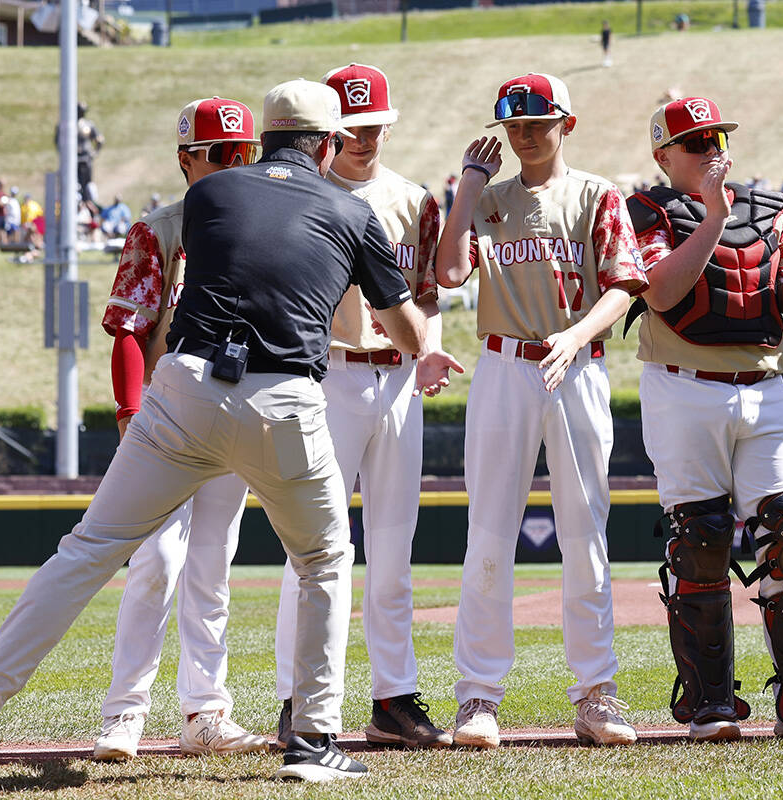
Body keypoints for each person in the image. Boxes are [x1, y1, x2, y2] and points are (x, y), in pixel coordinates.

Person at [0, 79, 427, 783]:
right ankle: (311, 741)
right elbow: (405, 332)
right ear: (329, 144)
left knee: (86, 550)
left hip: (184, 388)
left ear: (262, 140)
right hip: (285, 400)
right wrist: (418, 325)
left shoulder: (207, 197)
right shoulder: (351, 208)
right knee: (325, 562)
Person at [625, 97, 783, 742]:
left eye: (715, 137)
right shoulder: (646, 210)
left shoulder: (769, 210)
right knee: (700, 538)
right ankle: (710, 703)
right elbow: (664, 293)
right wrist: (711, 220)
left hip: (763, 385)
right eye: (694, 141)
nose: (709, 149)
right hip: (682, 387)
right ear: (663, 155)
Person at [436, 73, 648, 749]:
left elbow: (624, 287)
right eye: (514, 125)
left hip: (575, 363)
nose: (524, 134)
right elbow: (446, 273)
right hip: (502, 364)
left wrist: (579, 334)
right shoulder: (488, 199)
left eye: (538, 122)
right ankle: (477, 696)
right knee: (489, 532)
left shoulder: (596, 194)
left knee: (585, 530)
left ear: (567, 123)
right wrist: (468, 185)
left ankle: (595, 692)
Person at [272, 63, 461, 751]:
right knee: (313, 542)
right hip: (327, 374)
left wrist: (430, 349)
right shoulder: (299, 195)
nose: (365, 136)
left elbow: (428, 294)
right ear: (328, 130)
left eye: (375, 123)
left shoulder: (413, 199)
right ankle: (297, 698)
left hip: (400, 378)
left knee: (393, 547)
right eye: (352, 126)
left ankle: (393, 694)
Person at [92, 97, 262, 762]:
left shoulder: (262, 223)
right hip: (165, 418)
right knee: (156, 564)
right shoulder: (160, 227)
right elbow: (129, 328)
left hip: (235, 414)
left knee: (212, 568)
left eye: (243, 151)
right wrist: (132, 411)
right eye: (219, 152)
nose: (232, 162)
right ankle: (124, 713)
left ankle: (205, 712)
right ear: (186, 158)